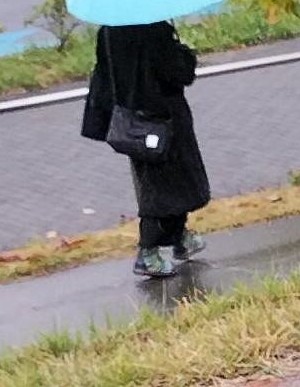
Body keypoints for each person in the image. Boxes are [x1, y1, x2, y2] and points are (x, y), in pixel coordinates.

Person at [81, 19, 210, 278]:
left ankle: (180, 238)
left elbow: (104, 74)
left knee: (164, 181)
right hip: (164, 118)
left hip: (133, 121)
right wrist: (184, 53)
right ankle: (147, 252)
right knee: (163, 187)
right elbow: (178, 73)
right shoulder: (154, 29)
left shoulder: (108, 30)